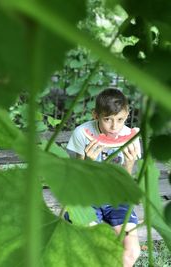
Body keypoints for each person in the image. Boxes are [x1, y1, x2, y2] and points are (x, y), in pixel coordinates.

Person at [66, 88, 141, 267]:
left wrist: (128, 166)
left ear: (127, 115)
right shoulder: (81, 133)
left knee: (131, 253)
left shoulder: (131, 137)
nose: (114, 127)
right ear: (96, 115)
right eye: (107, 119)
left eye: (121, 120)